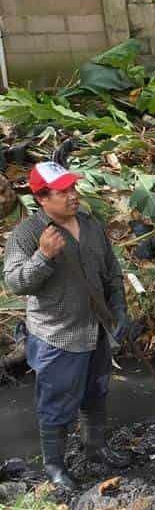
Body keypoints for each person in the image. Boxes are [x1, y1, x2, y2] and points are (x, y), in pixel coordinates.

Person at [3, 161, 131, 491]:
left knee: (95, 392)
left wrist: (119, 308)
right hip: (58, 335)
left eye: (74, 188)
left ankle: (95, 447)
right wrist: (43, 256)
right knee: (56, 403)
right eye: (64, 192)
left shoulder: (90, 225)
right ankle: (55, 466)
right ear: (42, 198)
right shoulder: (28, 235)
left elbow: (112, 271)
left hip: (97, 326)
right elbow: (16, 283)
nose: (73, 196)